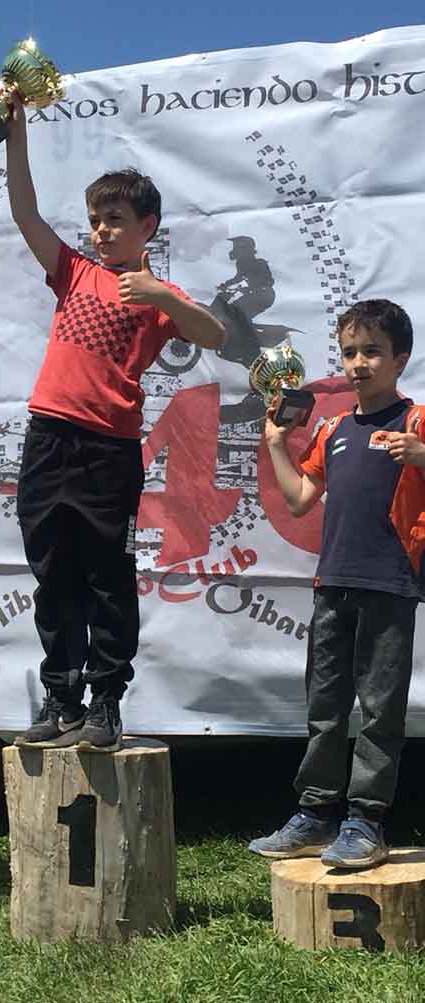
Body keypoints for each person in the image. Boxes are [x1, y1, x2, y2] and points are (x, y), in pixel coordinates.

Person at [5, 93, 226, 751]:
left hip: (108, 449)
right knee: (53, 573)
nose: (101, 230)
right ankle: (60, 695)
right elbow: (24, 210)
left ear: (147, 225)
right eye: (96, 219)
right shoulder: (74, 272)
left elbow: (214, 334)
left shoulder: (159, 295)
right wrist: (16, 129)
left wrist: (160, 293)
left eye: (115, 219)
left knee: (106, 576)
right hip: (49, 436)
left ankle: (106, 700)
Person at [249, 299, 423, 869]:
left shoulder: (417, 421)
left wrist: (423, 456)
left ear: (400, 359)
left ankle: (366, 819)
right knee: (325, 705)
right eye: (350, 352)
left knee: (379, 709)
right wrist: (277, 443)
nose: (359, 363)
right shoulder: (334, 428)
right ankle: (315, 812)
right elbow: (300, 500)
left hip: (391, 585)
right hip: (333, 584)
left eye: (373, 351)